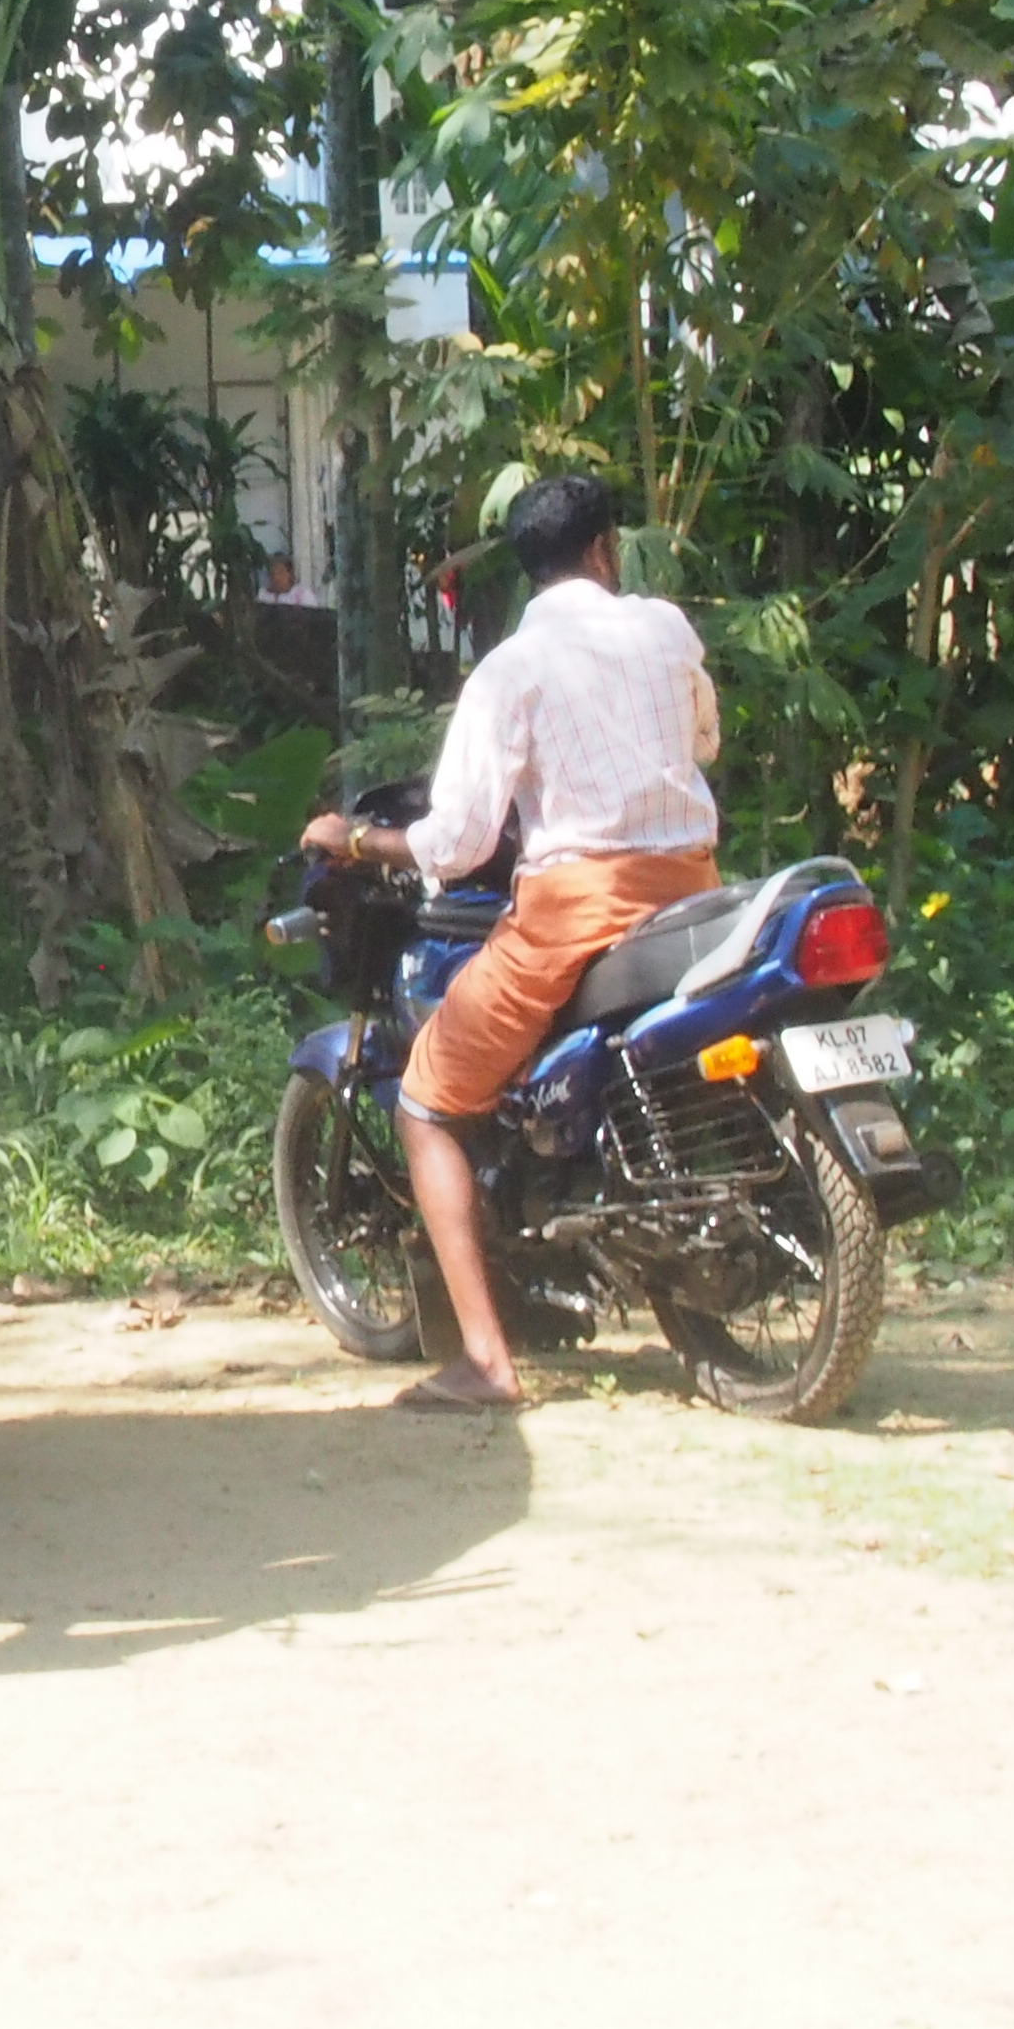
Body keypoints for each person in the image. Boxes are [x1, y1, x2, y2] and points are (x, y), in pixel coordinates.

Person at [299, 472, 718, 1415]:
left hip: (575, 911)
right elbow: (702, 743)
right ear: (604, 551)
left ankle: (487, 1363)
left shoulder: (510, 672)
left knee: (426, 1101)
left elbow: (456, 843)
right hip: (692, 892)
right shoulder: (665, 629)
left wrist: (357, 841)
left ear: (528, 568)